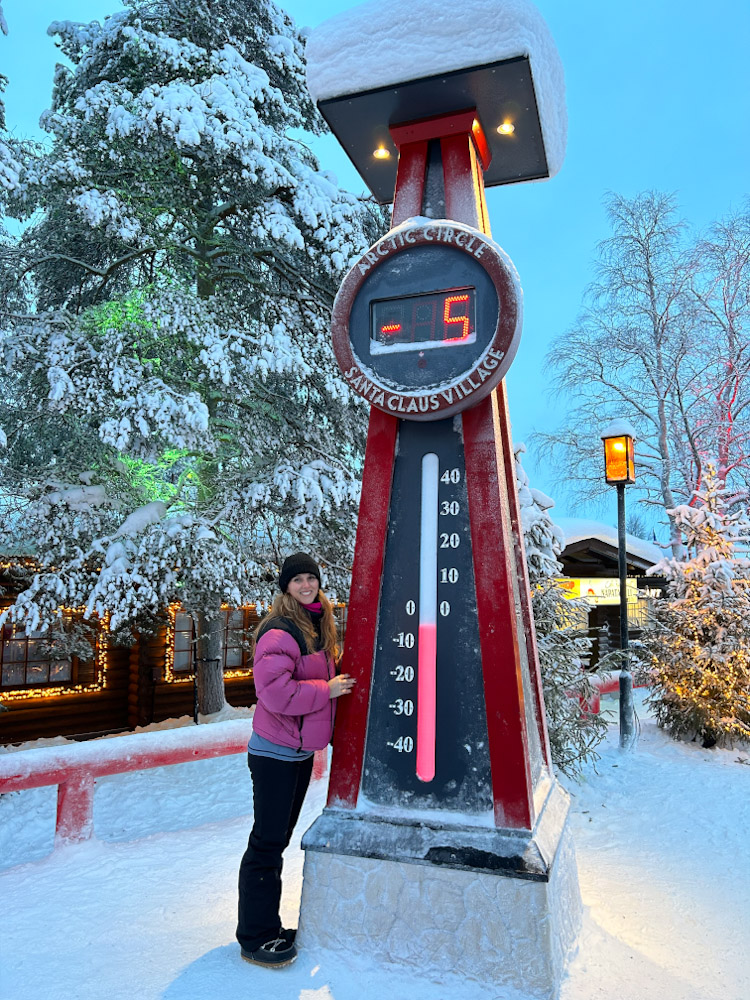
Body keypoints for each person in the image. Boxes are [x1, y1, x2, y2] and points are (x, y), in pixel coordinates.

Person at [236, 552, 355, 968]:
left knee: (276, 840)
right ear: (285, 587)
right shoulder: (279, 632)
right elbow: (275, 694)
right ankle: (256, 935)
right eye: (298, 580)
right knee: (267, 842)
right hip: (274, 754)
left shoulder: (317, 625)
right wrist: (328, 689)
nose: (306, 585)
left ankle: (266, 924)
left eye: (311, 578)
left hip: (298, 752)